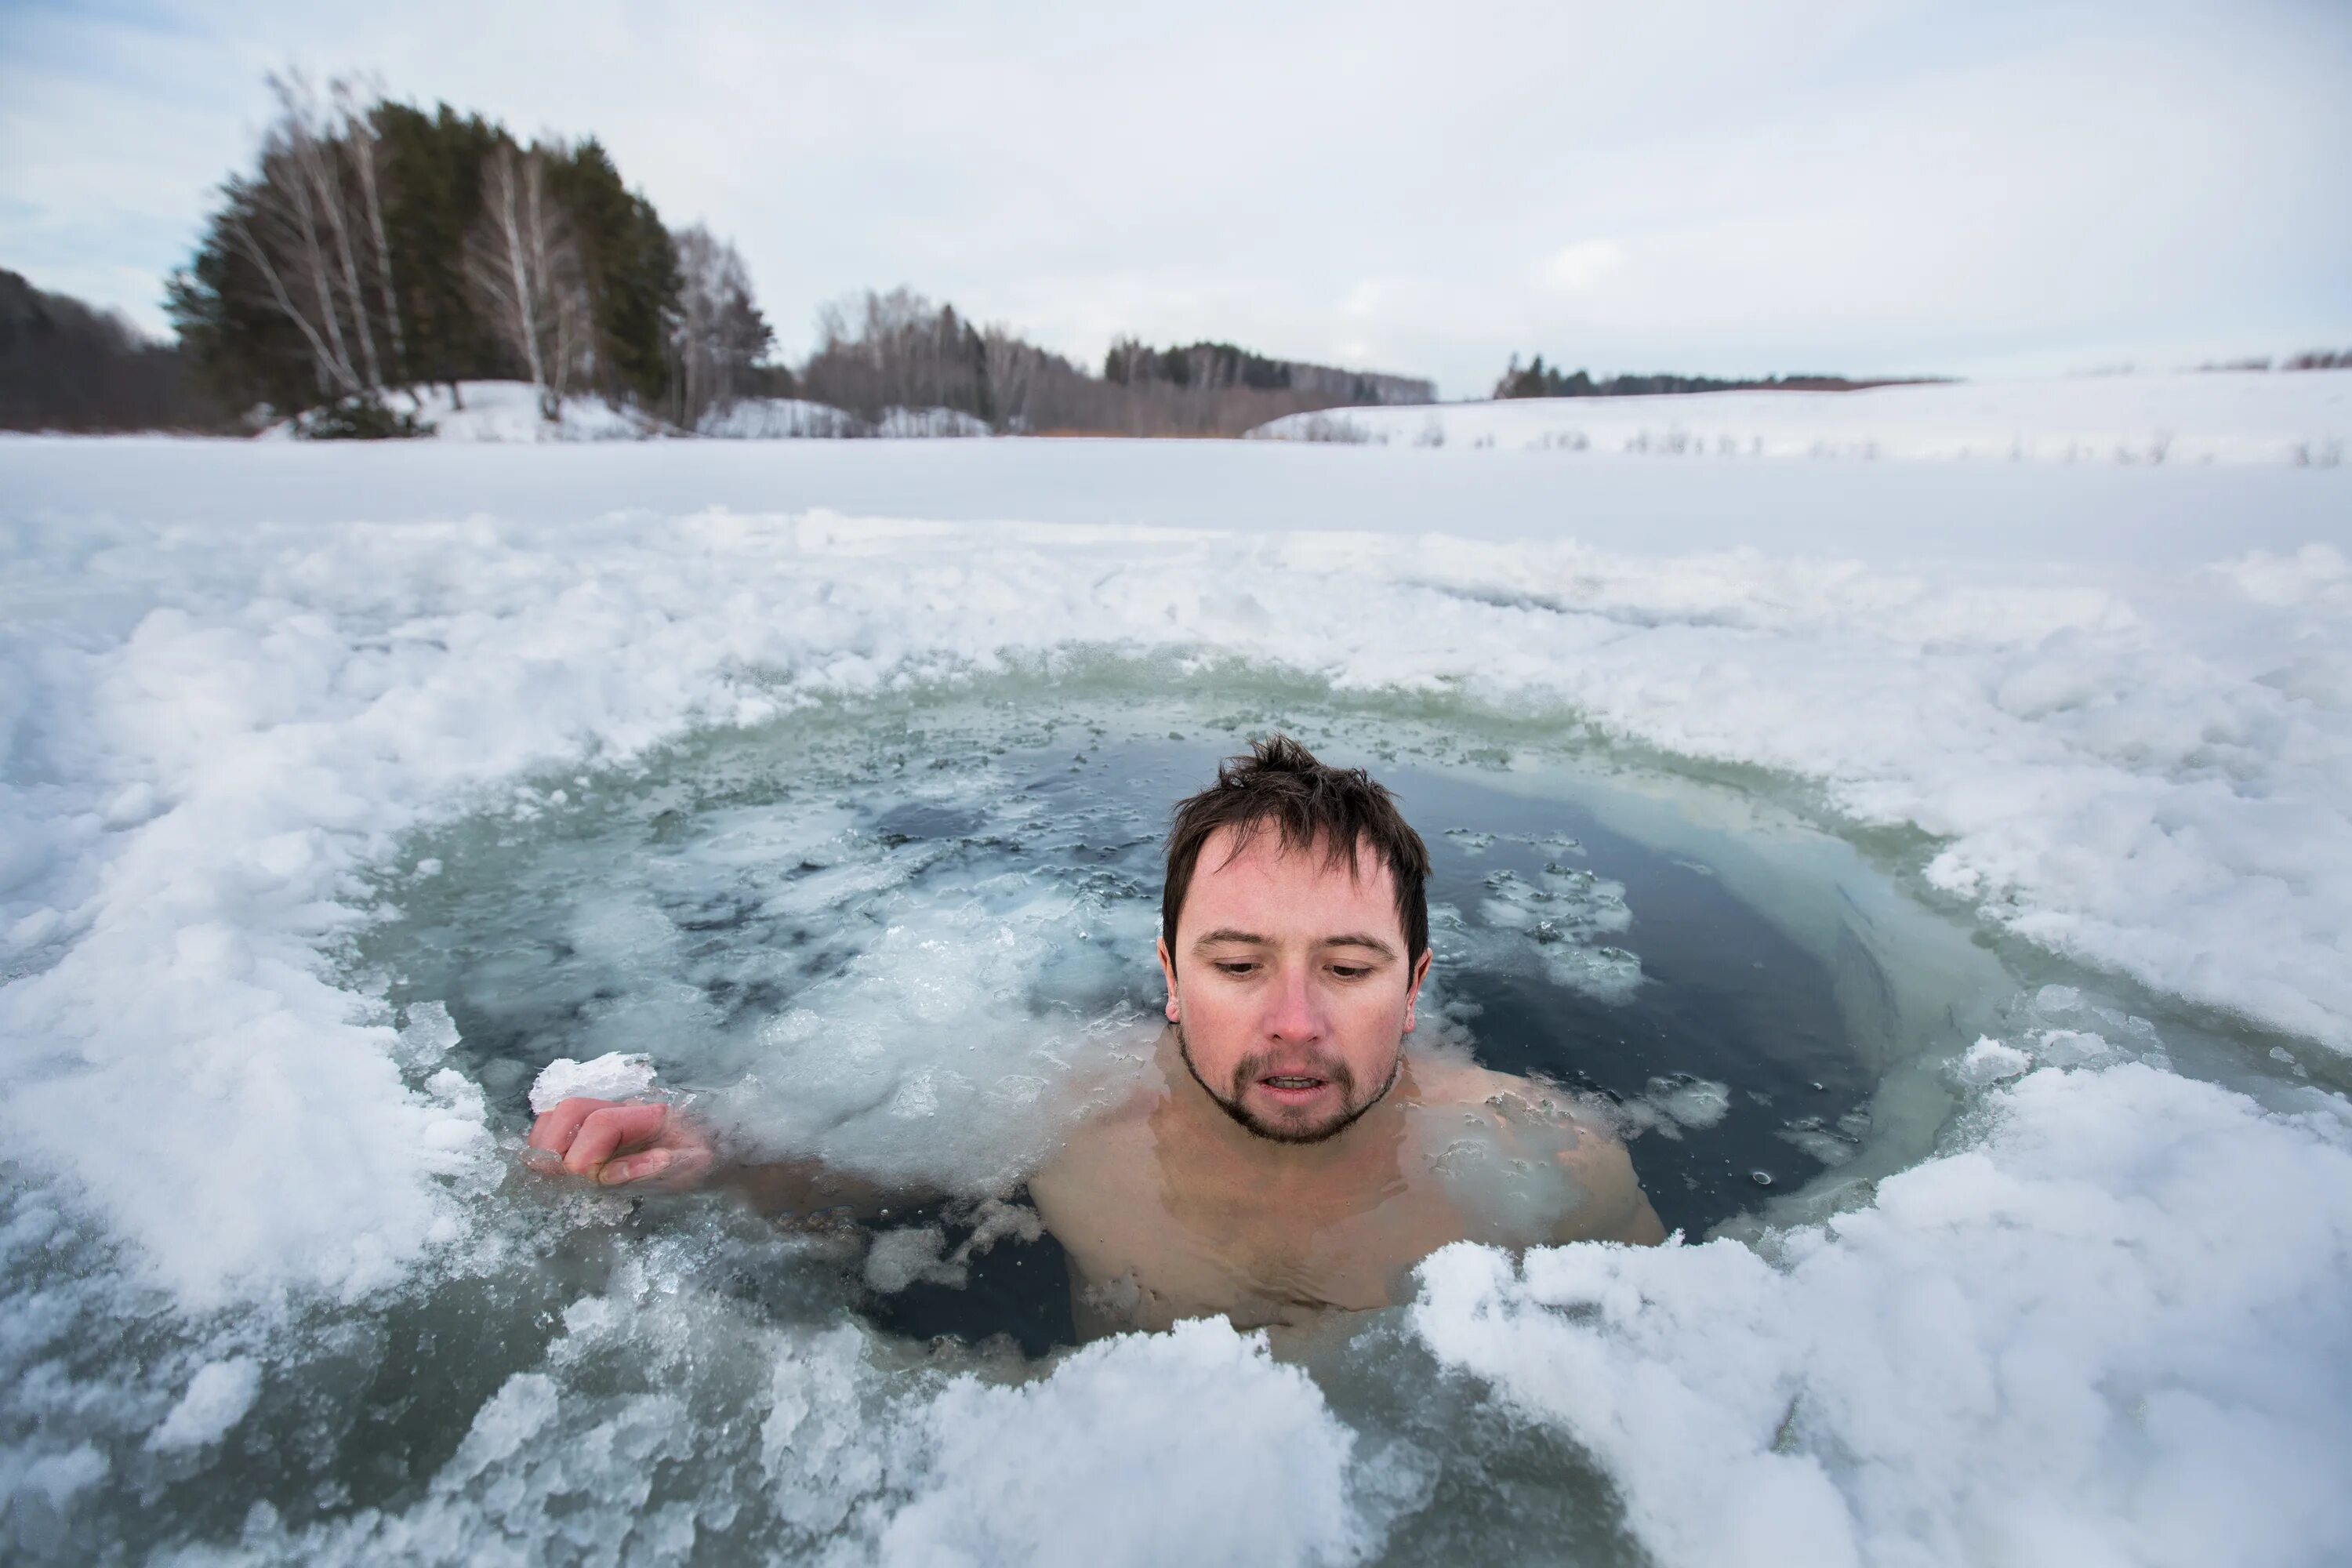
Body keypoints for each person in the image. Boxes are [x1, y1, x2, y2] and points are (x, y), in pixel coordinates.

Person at [526, 735, 1666, 1342]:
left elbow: (1682, 1377)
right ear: (1169, 978)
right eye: (1237, 964)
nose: (1295, 1023)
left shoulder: (1551, 1165)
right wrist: (707, 1156)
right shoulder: (1062, 1105)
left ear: (1415, 987)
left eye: (1350, 968)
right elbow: (836, 1182)